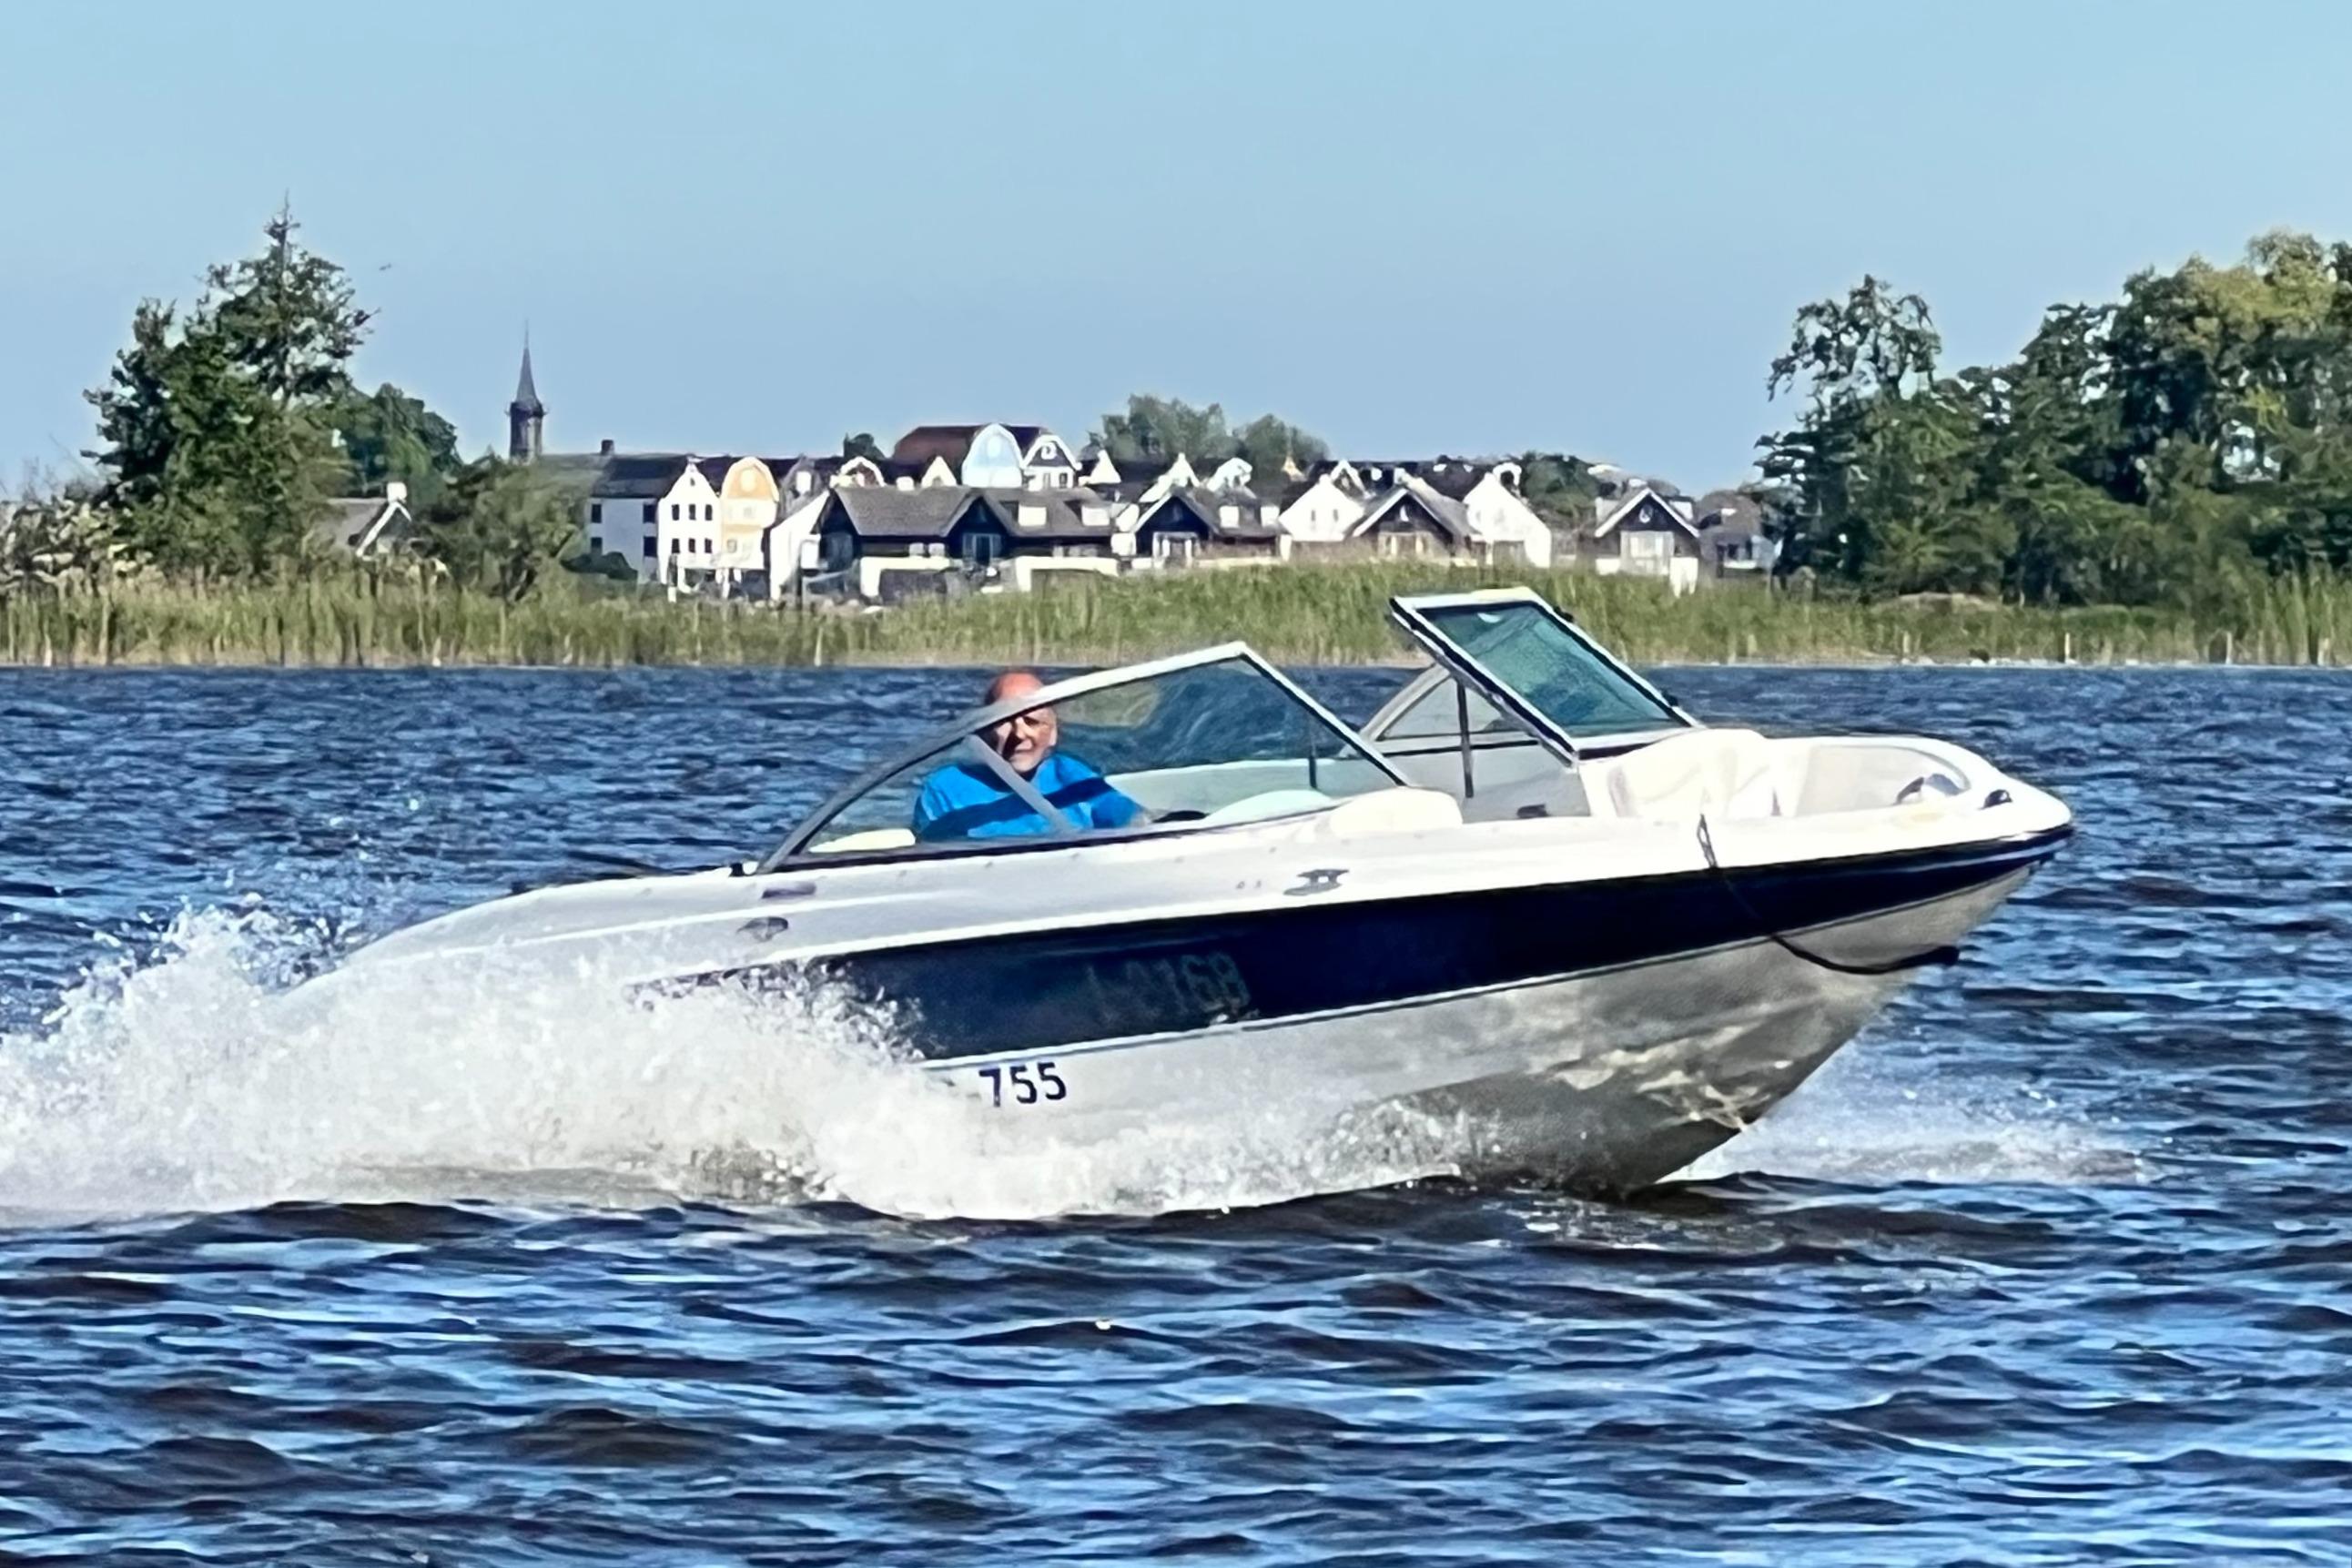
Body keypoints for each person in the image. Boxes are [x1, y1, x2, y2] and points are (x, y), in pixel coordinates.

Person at [911, 671, 1143, 842]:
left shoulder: (1078, 780)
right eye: (1004, 721)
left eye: (1032, 722)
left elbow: (1137, 828)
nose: (1019, 734)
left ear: (1052, 733)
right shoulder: (946, 789)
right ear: (984, 730)